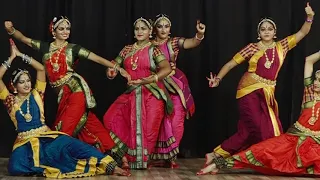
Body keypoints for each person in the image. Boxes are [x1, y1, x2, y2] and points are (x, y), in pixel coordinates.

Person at [4, 16, 131, 166]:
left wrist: (117, 67)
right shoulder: (45, 47)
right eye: (61, 28)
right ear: (53, 31)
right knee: (91, 126)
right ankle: (120, 157)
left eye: (68, 28)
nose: (65, 31)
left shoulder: (73, 49)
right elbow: (24, 39)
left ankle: (55, 162)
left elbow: (95, 58)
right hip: (63, 96)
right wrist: (11, 30)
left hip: (76, 91)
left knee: (63, 129)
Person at [202, 2, 315, 170]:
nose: (267, 31)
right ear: (258, 33)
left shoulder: (281, 46)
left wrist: (309, 17)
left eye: (270, 29)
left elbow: (303, 32)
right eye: (263, 29)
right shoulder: (252, 48)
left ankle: (217, 155)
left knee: (254, 131)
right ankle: (226, 158)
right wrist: (218, 79)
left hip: (268, 93)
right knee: (257, 127)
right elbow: (231, 64)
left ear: (275, 33)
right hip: (248, 90)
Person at [197, 50, 320, 176]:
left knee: (288, 166)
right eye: (316, 79)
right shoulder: (309, 92)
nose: (316, 83)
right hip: (293, 139)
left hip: (316, 144)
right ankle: (217, 164)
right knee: (262, 151)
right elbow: (309, 61)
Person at [103, 17, 172, 169]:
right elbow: (114, 64)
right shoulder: (127, 49)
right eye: (137, 29)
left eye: (143, 29)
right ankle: (125, 158)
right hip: (131, 93)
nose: (140, 31)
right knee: (110, 119)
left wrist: (149, 79)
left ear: (150, 32)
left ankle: (141, 162)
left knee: (146, 130)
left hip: (152, 95)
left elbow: (166, 68)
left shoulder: (154, 49)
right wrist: (111, 72)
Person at [148, 14, 206, 168]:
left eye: (166, 26)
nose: (163, 29)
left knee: (176, 119)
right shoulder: (147, 45)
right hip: (155, 84)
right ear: (154, 28)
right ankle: (154, 155)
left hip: (174, 84)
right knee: (157, 121)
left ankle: (171, 155)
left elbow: (191, 43)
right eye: (160, 26)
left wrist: (199, 34)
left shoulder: (173, 42)